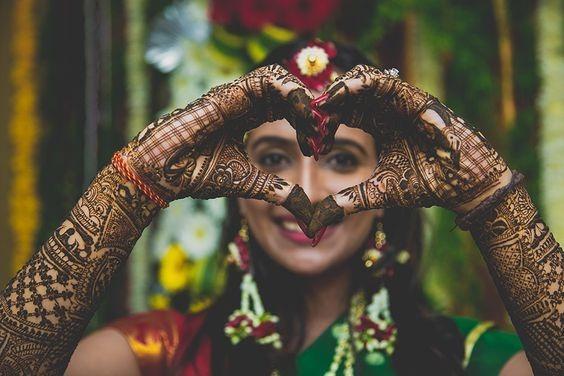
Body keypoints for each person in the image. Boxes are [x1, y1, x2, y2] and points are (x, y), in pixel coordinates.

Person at [0, 40, 560, 376]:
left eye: (341, 158)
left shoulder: (468, 359)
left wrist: (494, 201)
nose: (308, 191)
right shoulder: (155, 356)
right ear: (234, 190)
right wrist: (128, 187)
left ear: (393, 189)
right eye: (273, 158)